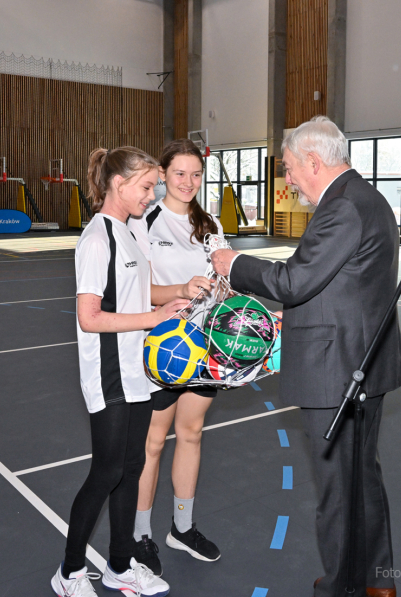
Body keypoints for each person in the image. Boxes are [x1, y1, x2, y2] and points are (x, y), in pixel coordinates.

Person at [210, 116, 401, 597]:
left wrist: (233, 263)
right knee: (362, 479)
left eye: (291, 168)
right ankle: (377, 579)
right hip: (363, 360)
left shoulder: (342, 208)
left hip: (336, 370)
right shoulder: (367, 199)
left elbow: (294, 282)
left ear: (314, 162)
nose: (289, 178)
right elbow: (343, 284)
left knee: (338, 490)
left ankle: (340, 586)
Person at [51, 146, 211, 597]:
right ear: (117, 185)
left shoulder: (129, 233)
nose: (151, 195)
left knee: (132, 466)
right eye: (145, 187)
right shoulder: (97, 238)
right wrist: (150, 320)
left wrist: (178, 293)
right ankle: (69, 572)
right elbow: (90, 316)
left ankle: (121, 566)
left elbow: (142, 295)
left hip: (136, 371)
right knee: (105, 472)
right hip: (108, 373)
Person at [128, 139, 223, 575]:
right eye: (180, 173)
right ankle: (140, 534)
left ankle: (181, 529)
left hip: (203, 348)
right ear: (162, 174)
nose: (189, 182)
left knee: (192, 433)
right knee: (151, 442)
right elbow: (133, 291)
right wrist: (181, 291)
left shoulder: (210, 225)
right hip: (161, 349)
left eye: (196, 174)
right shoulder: (144, 221)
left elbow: (222, 286)